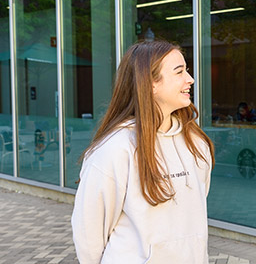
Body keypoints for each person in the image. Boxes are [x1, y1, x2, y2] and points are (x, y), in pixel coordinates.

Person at [71, 40, 214, 263]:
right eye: (179, 72)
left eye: (187, 70)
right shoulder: (115, 148)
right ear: (150, 83)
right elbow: (89, 232)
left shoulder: (196, 143)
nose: (190, 79)